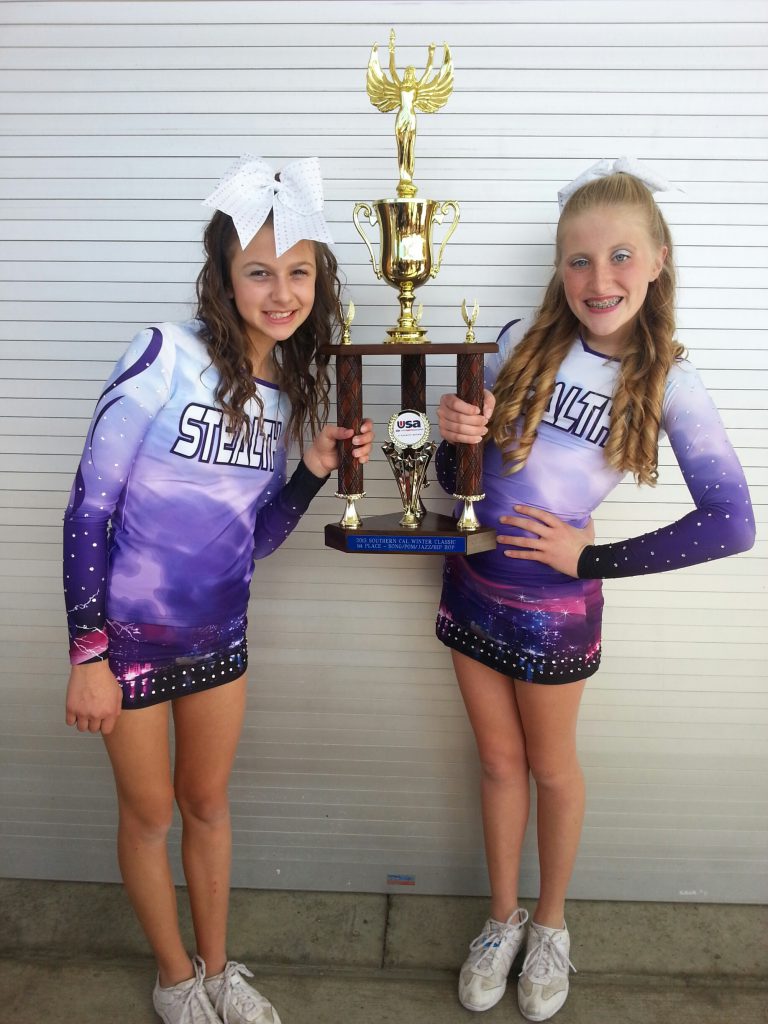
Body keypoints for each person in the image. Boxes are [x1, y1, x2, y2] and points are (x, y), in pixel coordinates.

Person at [434, 159, 755, 1022]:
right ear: (558, 270)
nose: (599, 278)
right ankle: (499, 921)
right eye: (579, 260)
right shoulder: (512, 344)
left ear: (656, 261)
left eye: (620, 257)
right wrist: (452, 440)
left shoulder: (671, 384)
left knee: (551, 768)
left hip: (554, 617)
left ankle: (551, 925)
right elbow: (448, 483)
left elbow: (731, 522)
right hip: (471, 586)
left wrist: (591, 558)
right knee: (497, 763)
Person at [63, 156, 374, 1024]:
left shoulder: (279, 391)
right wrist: (88, 654)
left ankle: (220, 966)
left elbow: (253, 540)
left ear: (319, 279)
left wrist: (310, 474)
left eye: (299, 272)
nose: (282, 292)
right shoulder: (164, 354)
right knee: (151, 813)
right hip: (126, 643)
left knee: (206, 804)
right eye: (260, 272)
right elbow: (88, 511)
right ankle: (174, 977)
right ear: (224, 277)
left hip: (218, 639)